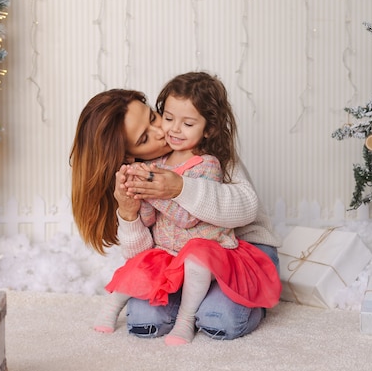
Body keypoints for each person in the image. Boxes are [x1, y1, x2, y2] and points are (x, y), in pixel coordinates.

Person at [70, 78, 282, 342]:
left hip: (241, 249)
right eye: (145, 137)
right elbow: (144, 257)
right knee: (144, 320)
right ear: (128, 155)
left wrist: (179, 188)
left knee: (218, 318)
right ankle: (191, 300)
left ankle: (248, 301)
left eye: (153, 117)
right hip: (177, 258)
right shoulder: (145, 170)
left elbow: (247, 208)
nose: (163, 131)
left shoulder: (209, 153)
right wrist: (129, 213)